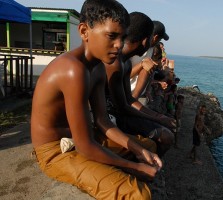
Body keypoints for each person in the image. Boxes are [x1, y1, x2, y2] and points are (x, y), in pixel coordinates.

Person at [31, 1, 161, 199]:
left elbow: (102, 121)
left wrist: (138, 151)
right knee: (138, 194)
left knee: (148, 148)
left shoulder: (98, 68)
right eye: (111, 36)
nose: (119, 45)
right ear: (84, 31)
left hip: (83, 139)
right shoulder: (73, 70)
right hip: (56, 151)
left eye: (123, 37)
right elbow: (85, 146)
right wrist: (134, 166)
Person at [105, 12, 175, 156]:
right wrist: (157, 118)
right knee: (166, 137)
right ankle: (149, 171)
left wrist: (159, 117)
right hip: (110, 118)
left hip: (119, 113)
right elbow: (123, 107)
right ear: (145, 41)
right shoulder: (116, 63)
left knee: (165, 130)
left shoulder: (125, 62)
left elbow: (129, 100)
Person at [130, 20, 169, 101]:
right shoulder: (132, 46)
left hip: (138, 93)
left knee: (148, 66)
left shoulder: (150, 49)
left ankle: (134, 99)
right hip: (125, 89)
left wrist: (147, 90)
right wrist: (142, 64)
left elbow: (148, 71)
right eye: (159, 39)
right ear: (155, 37)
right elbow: (122, 75)